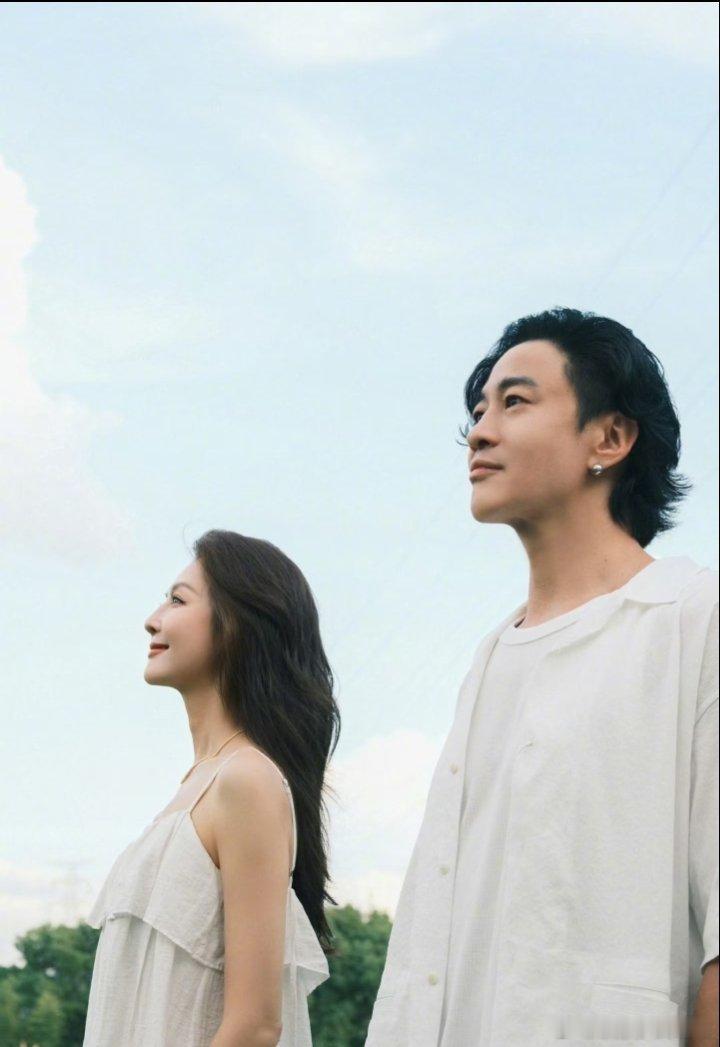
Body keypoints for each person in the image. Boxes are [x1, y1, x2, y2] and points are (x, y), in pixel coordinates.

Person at [365, 307, 718, 1046]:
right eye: (478, 412)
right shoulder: (491, 658)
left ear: (610, 438)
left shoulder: (693, 617)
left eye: (515, 402)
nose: (479, 432)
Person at [83, 529, 340, 1047]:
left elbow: (255, 1025)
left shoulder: (246, 780)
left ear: (238, 625)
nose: (152, 619)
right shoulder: (199, 784)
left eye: (178, 600)